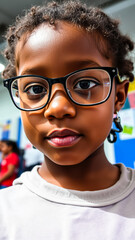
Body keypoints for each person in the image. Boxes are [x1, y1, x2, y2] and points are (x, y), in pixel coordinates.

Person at [0, 1, 135, 239]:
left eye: (85, 84)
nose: (58, 108)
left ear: (118, 96)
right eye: (34, 89)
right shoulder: (5, 214)